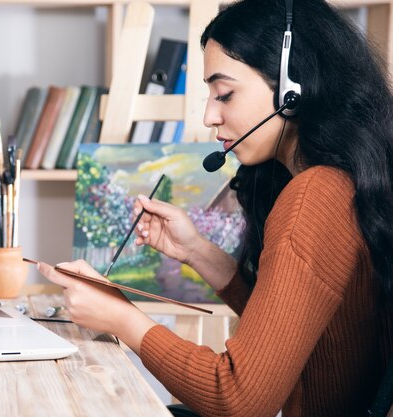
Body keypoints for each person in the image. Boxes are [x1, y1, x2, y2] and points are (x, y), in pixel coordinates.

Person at [36, 0, 393, 416]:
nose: (209, 115)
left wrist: (120, 317)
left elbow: (238, 399)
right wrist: (198, 251)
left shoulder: (313, 198)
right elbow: (294, 330)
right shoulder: (345, 182)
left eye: (224, 93)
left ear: (292, 90)